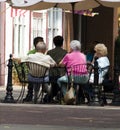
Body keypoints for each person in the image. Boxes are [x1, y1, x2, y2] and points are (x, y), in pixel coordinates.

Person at [23, 36, 44, 102]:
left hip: (32, 73)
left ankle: (30, 94)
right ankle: (47, 94)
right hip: (42, 74)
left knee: (31, 76)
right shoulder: (44, 53)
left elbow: (27, 63)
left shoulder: (30, 53)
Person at [47, 35, 67, 102]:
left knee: (53, 83)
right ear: (62, 43)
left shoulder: (49, 52)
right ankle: (60, 95)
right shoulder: (65, 52)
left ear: (54, 43)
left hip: (51, 74)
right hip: (62, 74)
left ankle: (50, 96)